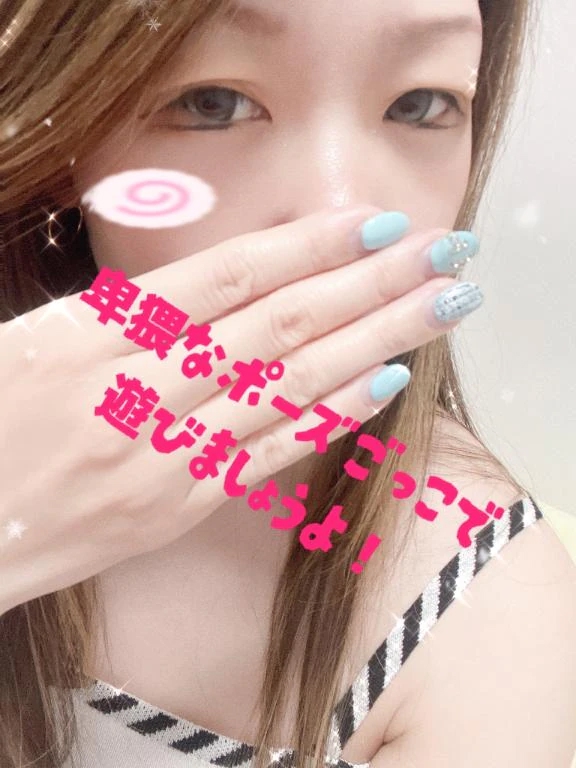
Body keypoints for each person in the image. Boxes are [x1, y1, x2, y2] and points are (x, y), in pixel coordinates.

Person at [1, 0, 575, 767]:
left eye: (419, 104)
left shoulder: (485, 609)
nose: (342, 210)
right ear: (63, 135)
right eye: (212, 103)